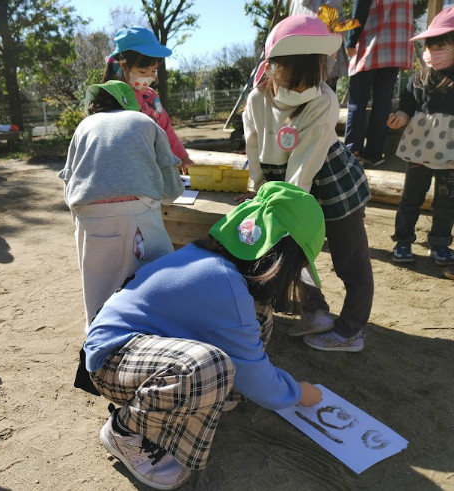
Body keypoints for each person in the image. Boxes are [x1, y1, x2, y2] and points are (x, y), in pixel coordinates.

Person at [81, 181, 324, 490]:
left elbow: (246, 350)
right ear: (281, 259)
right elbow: (258, 379)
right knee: (207, 365)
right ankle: (125, 432)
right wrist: (298, 392)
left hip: (141, 352)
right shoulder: (226, 285)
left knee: (253, 320)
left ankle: (206, 395)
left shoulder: (218, 268)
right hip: (112, 359)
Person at [242, 15, 373, 352]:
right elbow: (253, 142)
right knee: (291, 254)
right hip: (280, 181)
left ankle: (351, 330)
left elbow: (306, 160)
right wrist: (259, 187)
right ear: (272, 68)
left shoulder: (324, 100)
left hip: (329, 181)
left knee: (350, 257)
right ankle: (314, 311)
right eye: (292, 80)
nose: (300, 88)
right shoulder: (258, 99)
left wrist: (284, 207)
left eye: (308, 80)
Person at [58, 80, 183, 330]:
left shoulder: (83, 126)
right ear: (129, 103)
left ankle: (99, 339)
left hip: (89, 217)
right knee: (156, 273)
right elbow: (171, 185)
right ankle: (154, 332)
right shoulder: (146, 123)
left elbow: (69, 178)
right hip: (137, 214)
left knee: (99, 287)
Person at [387, 7, 454, 268]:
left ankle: (439, 243)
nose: (432, 51)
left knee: (447, 203)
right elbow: (407, 106)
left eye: (441, 45)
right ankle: (403, 240)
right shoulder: (417, 79)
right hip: (419, 150)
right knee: (410, 198)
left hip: (450, 155)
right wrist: (400, 118)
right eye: (430, 45)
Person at [101, 26, 195, 174]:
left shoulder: (151, 97)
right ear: (124, 66)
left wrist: (183, 156)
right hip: (125, 172)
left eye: (154, 71)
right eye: (143, 71)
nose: (150, 77)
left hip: (153, 170)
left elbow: (165, 129)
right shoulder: (112, 96)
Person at [344, 0, 413, 167]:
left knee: (357, 102)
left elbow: (361, 6)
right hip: (396, 44)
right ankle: (374, 153)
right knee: (383, 102)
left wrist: (351, 40)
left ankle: (353, 151)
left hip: (370, 41)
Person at [289, 0, 349, 92]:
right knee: (325, 98)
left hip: (297, 60)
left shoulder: (294, 2)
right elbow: (337, 28)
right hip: (325, 62)